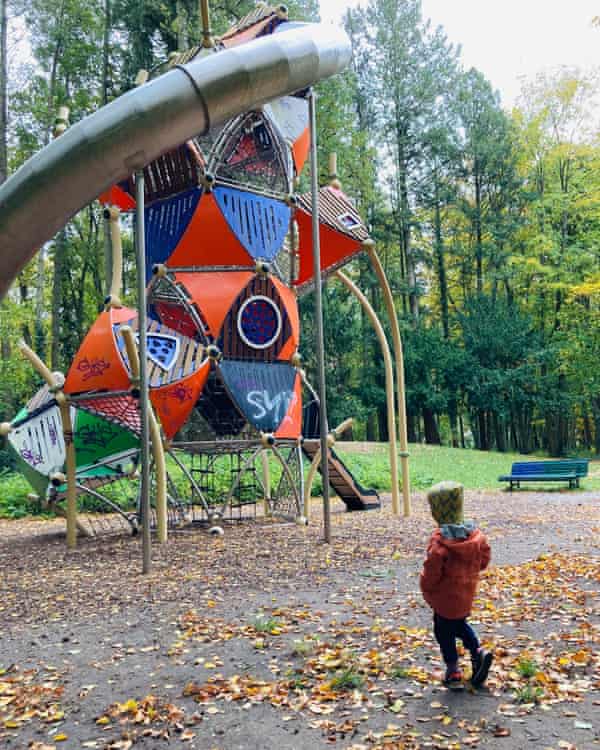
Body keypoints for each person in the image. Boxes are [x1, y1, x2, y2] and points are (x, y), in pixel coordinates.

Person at [419, 481, 493, 689]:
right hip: (465, 592)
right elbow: (484, 560)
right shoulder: (475, 536)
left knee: (444, 631)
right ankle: (477, 652)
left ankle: (454, 670)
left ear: (436, 511)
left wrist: (425, 584)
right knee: (459, 624)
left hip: (445, 597)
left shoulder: (440, 544)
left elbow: (432, 573)